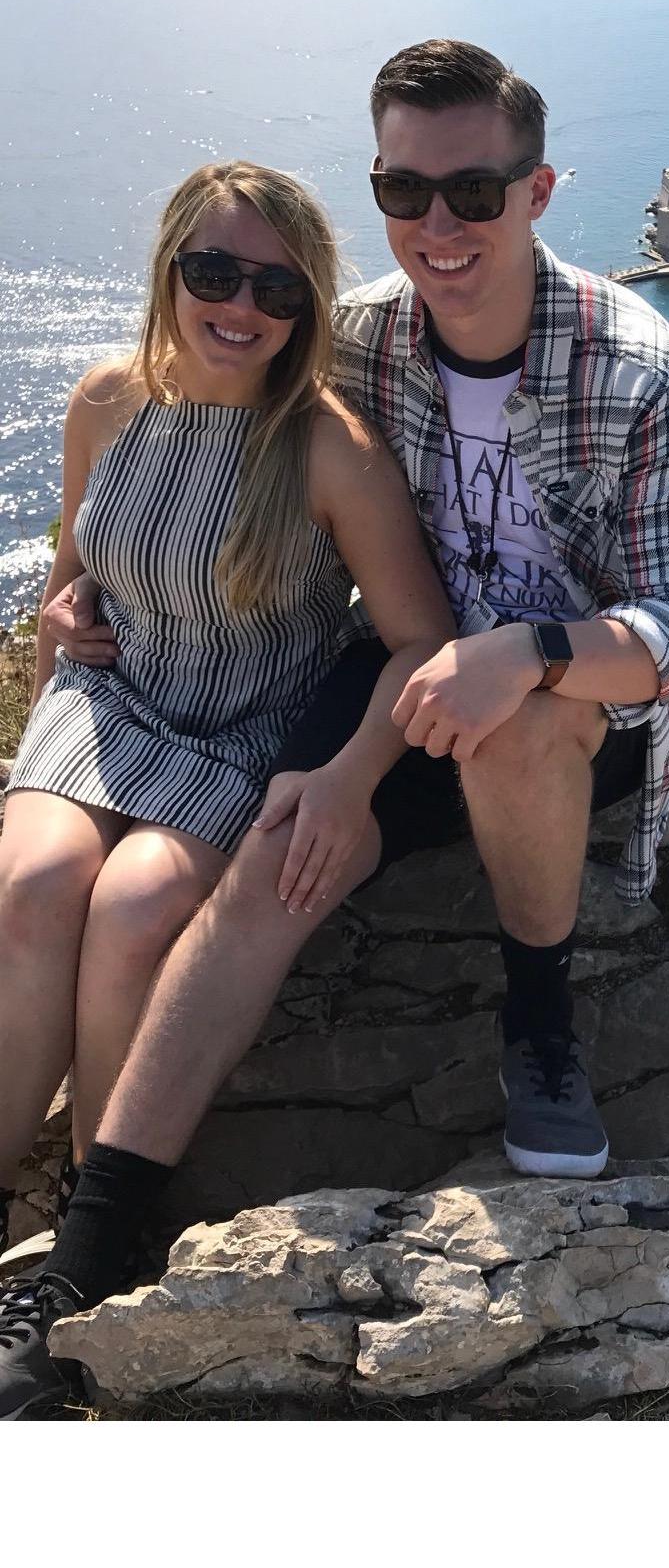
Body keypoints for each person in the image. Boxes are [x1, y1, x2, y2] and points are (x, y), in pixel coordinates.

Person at [1, 42, 669, 1420]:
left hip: (578, 692)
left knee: (515, 724)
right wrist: (87, 596)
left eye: (474, 191)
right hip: (403, 682)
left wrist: (529, 651)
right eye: (406, 189)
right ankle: (87, 1261)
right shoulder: (363, 333)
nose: (438, 225)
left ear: (537, 192)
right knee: (281, 853)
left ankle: (538, 1009)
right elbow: (221, 393)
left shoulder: (642, 370)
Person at [0, 160, 454, 1417]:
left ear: (306, 307)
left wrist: (350, 775)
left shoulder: (327, 449)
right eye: (214, 271)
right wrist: (58, 618)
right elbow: (70, 573)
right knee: (35, 878)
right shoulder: (106, 400)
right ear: (170, 271)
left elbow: (418, 639)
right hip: (107, 704)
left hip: (243, 726)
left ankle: (89, 1235)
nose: (241, 305)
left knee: (138, 902)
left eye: (276, 288)